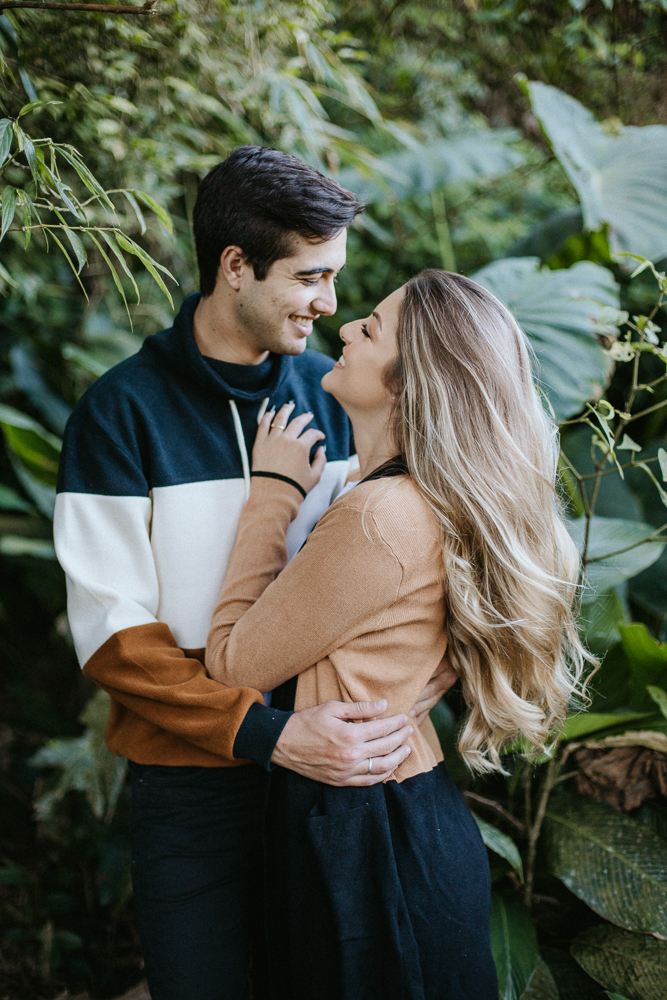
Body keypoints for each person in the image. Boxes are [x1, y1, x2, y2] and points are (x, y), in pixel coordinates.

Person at [54, 146, 454, 1000]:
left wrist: (400, 702)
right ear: (235, 266)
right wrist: (266, 734)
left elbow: (419, 567)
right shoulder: (119, 415)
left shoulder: (341, 393)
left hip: (328, 786)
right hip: (190, 790)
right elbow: (113, 638)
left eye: (334, 277)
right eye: (310, 277)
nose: (330, 305)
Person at [205, 269, 590, 1000]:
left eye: (372, 328)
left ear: (409, 385)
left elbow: (232, 664)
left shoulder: (381, 513)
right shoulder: (418, 495)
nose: (346, 327)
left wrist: (271, 494)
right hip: (399, 815)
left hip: (365, 833)